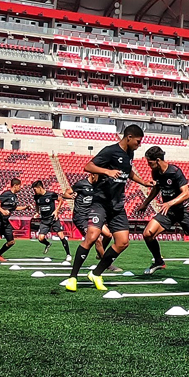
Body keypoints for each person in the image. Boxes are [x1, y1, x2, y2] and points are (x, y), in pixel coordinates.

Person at [64, 125, 156, 292]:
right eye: (138, 141)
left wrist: (143, 182)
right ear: (128, 137)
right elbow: (88, 166)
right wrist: (107, 171)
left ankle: (96, 273)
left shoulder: (130, 153)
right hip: (100, 203)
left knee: (123, 242)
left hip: (117, 205)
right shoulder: (110, 151)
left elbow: (128, 172)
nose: (139, 144)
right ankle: (72, 277)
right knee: (92, 237)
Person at [136, 147, 189, 282]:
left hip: (184, 211)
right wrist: (145, 203)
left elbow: (186, 194)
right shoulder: (155, 172)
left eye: (150, 162)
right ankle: (158, 261)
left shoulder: (175, 172)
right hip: (169, 212)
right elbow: (157, 188)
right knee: (147, 234)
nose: (148, 165)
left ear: (157, 160)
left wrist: (169, 203)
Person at [66, 173, 117, 267]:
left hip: (92, 215)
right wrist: (70, 196)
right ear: (93, 175)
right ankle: (107, 264)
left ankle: (100, 253)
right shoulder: (81, 184)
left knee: (108, 235)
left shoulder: (98, 185)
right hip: (81, 217)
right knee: (97, 239)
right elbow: (66, 193)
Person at [32, 180, 72, 261]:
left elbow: (61, 200)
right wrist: (37, 212)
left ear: (40, 188)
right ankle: (48, 244)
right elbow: (37, 204)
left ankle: (68, 254)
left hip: (53, 219)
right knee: (40, 238)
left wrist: (57, 210)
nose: (34, 191)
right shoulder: (36, 196)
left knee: (61, 236)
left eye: (35, 189)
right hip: (44, 220)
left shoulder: (50, 194)